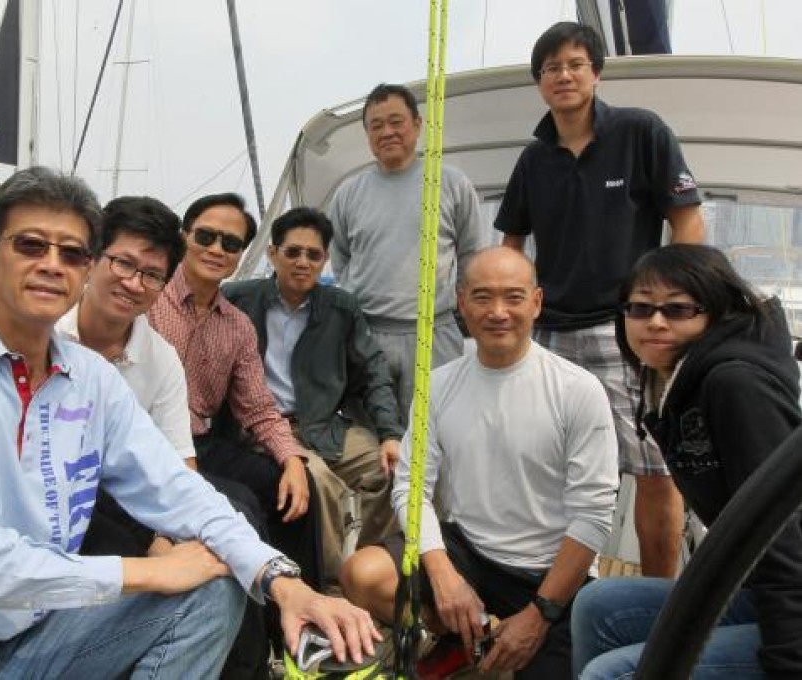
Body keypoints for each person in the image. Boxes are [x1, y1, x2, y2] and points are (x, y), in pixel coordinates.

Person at [0, 167, 379, 678]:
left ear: (83, 270)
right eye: (31, 245)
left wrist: (284, 580)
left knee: (219, 582)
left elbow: (177, 487)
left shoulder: (91, 377)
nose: (53, 263)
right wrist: (147, 571)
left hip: (34, 641)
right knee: (186, 569)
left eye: (71, 253)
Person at [340, 247, 619, 678]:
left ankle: (484, 638)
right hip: (468, 553)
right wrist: (445, 576)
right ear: (461, 302)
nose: (498, 312)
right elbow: (412, 486)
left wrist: (539, 615)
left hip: (551, 574)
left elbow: (594, 516)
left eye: (514, 297)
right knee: (363, 574)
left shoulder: (578, 390)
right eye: (483, 297)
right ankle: (463, 635)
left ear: (537, 302)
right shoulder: (439, 385)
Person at [495, 21, 707, 578]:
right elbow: (511, 245)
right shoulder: (533, 161)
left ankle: (658, 601)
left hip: (626, 333)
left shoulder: (641, 132)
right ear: (539, 83)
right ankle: (551, 588)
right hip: (550, 334)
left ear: (596, 72)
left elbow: (687, 223)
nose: (563, 76)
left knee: (655, 471)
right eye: (551, 68)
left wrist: (669, 311)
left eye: (574, 64)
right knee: (550, 469)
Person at [572, 244, 802, 678]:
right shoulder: (667, 380)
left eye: (678, 310)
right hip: (757, 584)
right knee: (598, 605)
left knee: (613, 674)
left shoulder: (735, 385)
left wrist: (787, 660)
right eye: (640, 308)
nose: (655, 322)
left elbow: (783, 535)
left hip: (792, 601)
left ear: (715, 313)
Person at [148, 192, 324, 588]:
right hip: (149, 445)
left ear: (242, 255)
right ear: (184, 238)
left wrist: (292, 461)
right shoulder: (149, 300)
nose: (216, 249)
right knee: (240, 507)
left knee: (293, 489)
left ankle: (303, 618)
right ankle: (257, 628)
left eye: (230, 244)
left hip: (201, 443)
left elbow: (259, 408)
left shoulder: (237, 326)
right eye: (206, 236)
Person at [223, 206, 404, 585]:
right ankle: (326, 585)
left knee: (387, 469)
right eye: (293, 252)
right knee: (315, 479)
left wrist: (390, 434)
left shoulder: (340, 308)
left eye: (314, 254)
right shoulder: (237, 299)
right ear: (273, 254)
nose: (303, 262)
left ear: (325, 260)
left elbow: (374, 373)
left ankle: (371, 573)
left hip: (322, 424)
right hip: (263, 428)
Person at [329, 82, 481, 416]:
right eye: (376, 126)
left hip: (435, 332)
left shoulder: (451, 183)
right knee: (371, 435)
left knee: (440, 431)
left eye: (396, 122)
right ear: (367, 134)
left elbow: (471, 254)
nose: (387, 132)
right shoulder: (348, 194)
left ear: (417, 123)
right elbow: (340, 260)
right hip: (367, 334)